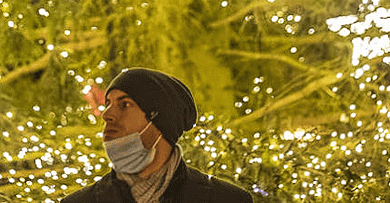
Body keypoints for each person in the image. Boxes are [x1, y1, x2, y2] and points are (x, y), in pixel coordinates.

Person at [62, 68, 254, 203]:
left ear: (160, 120)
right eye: (108, 104)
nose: (107, 115)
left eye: (125, 104)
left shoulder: (226, 199)